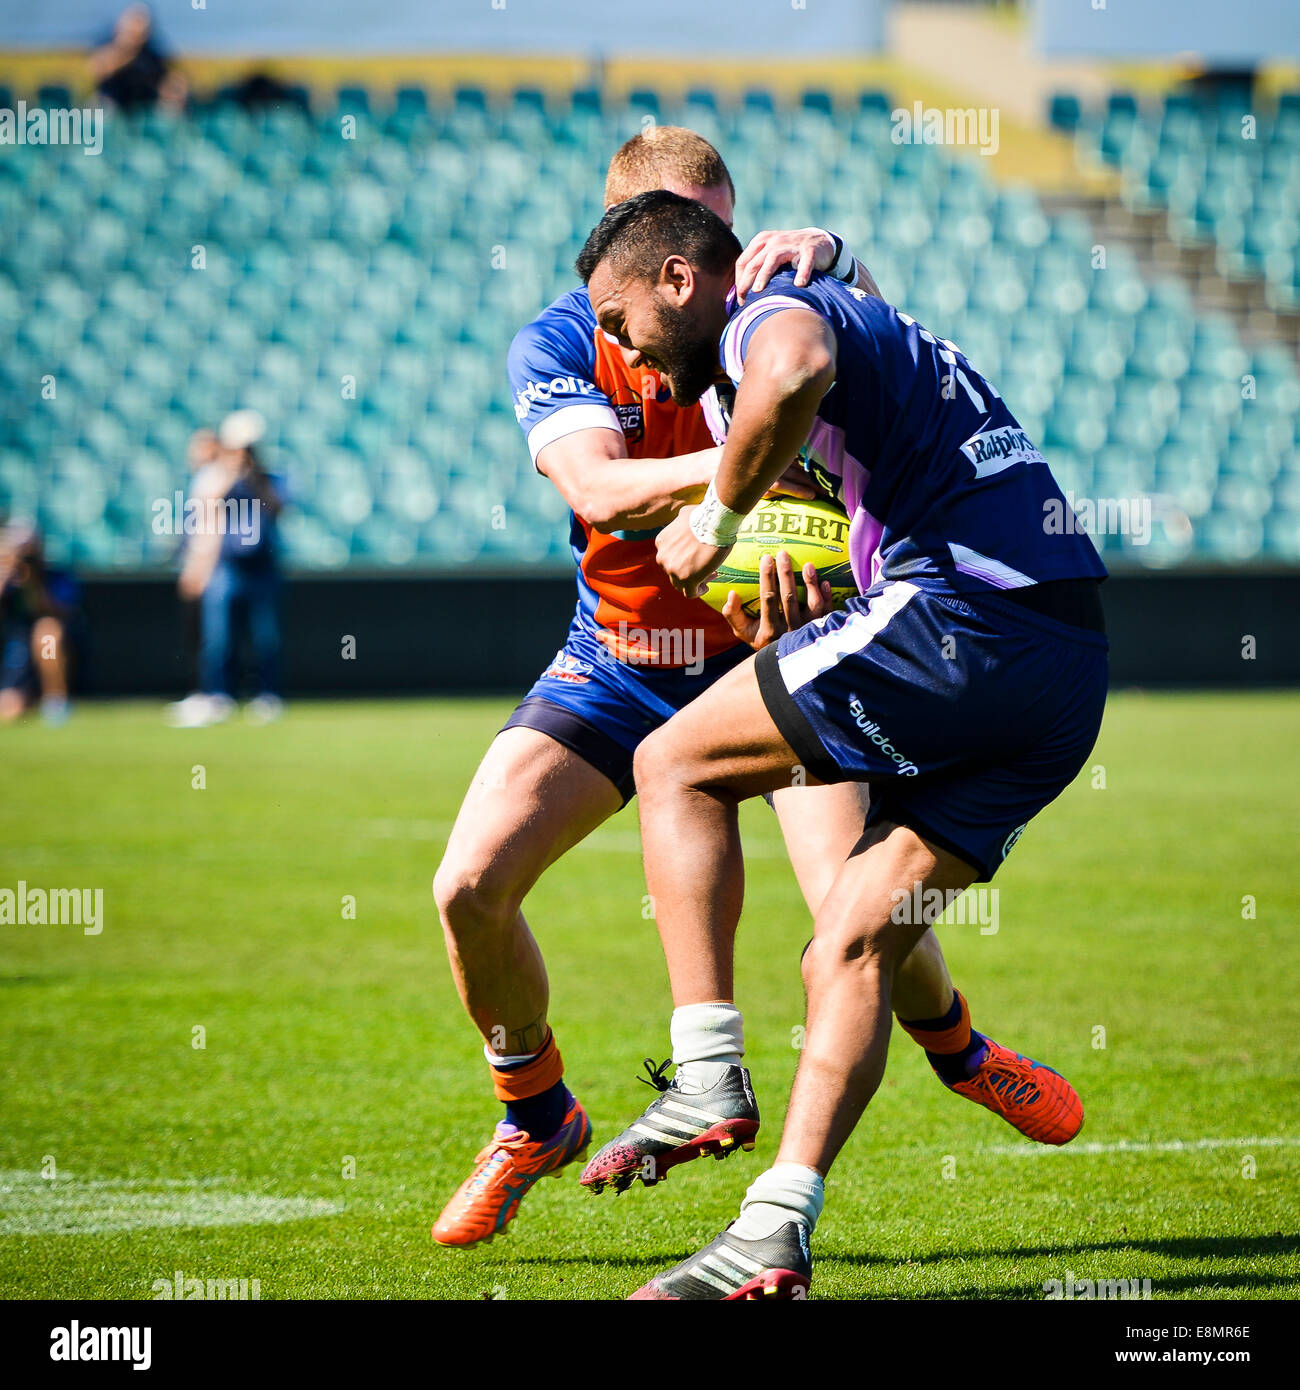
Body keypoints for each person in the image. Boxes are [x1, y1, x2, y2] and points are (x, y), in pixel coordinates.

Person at [430, 130, 1074, 1251]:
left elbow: (885, 378)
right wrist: (745, 458)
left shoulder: (765, 305)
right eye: (699, 232)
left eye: (734, 227)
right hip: (621, 656)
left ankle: (961, 1052)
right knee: (468, 885)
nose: (727, 254)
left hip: (778, 641)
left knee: (858, 907)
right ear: (643, 240)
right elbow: (599, 487)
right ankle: (534, 1110)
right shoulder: (571, 335)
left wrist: (841, 267)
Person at [574, 191, 1109, 1298]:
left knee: (669, 763)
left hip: (966, 614)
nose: (621, 354)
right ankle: (776, 1229)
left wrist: (716, 518)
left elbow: (793, 362)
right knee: (850, 945)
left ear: (680, 279)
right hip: (1063, 670)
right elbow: (840, 380)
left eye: (621, 322)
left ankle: (709, 1074)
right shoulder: (843, 309)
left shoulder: (762, 313)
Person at [167, 410, 286, 728]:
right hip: (226, 567)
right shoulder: (221, 477)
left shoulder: (270, 479)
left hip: (261, 569)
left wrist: (253, 475)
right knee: (218, 638)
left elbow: (278, 507)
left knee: (264, 637)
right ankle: (218, 695)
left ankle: (267, 695)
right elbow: (206, 513)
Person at [0, 522, 81, 726]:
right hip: (13, 650)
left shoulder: (55, 576)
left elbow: (61, 611)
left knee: (47, 632)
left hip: (48, 654)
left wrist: (34, 582)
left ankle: (55, 702)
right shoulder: (6, 577)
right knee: (10, 708)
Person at [88, 5, 187, 114]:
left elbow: (167, 77)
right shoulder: (108, 42)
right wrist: (128, 46)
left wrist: (174, 88)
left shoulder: (152, 51)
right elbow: (99, 68)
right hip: (112, 100)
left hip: (145, 104)